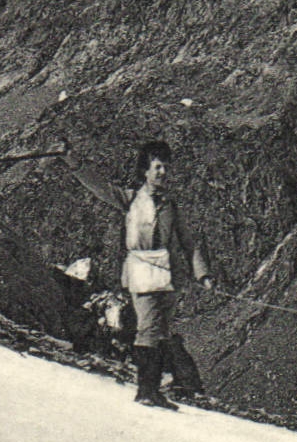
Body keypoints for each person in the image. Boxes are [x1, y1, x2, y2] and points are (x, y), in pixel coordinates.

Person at [62, 138, 213, 409]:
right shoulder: (131, 199)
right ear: (145, 171)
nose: (163, 172)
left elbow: (189, 242)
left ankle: (154, 390)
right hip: (141, 272)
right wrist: (73, 161)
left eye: (166, 167)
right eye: (157, 167)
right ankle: (146, 390)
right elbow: (100, 187)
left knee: (162, 331)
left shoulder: (171, 206)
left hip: (168, 277)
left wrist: (202, 274)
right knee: (148, 327)